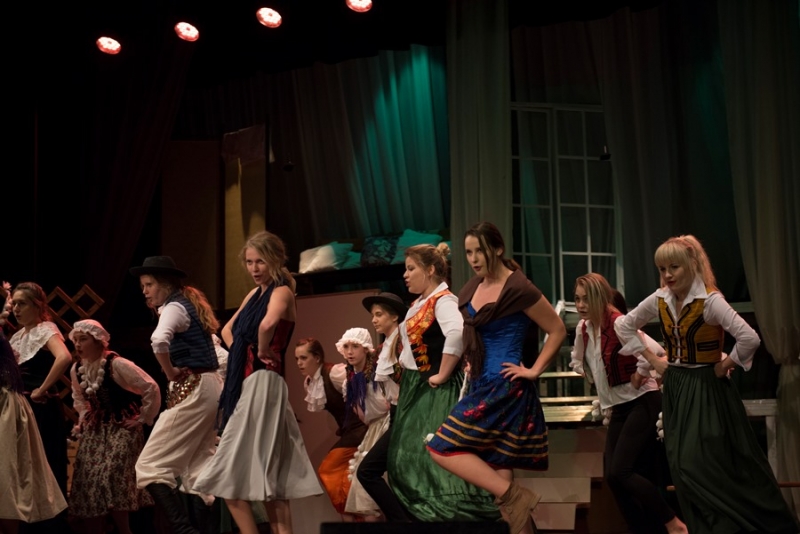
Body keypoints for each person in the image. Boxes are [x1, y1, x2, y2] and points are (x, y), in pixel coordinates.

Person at [615, 235, 798, 534]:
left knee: (701, 464)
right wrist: (652, 359)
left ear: (691, 264)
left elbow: (749, 338)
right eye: (662, 269)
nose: (667, 275)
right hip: (676, 386)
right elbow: (624, 325)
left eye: (674, 267)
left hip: (705, 388)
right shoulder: (661, 299)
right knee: (680, 464)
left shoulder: (710, 301)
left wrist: (725, 365)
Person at [424, 222, 566, 534]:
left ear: (498, 249)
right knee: (503, 488)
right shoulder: (472, 288)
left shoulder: (519, 289)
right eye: (468, 252)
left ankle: (517, 496)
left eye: (480, 250)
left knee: (440, 447)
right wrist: (472, 361)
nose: (474, 258)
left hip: (504, 386)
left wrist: (534, 370)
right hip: (481, 383)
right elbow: (476, 336)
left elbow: (557, 329)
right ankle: (516, 502)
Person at [194, 230, 322, 534]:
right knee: (267, 476)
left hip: (263, 382)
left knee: (239, 474)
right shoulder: (255, 295)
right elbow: (228, 330)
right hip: (249, 382)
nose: (254, 268)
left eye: (260, 261)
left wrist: (261, 349)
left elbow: (267, 324)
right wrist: (245, 351)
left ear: (275, 260)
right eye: (250, 262)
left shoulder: (282, 291)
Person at [382, 243, 500, 522]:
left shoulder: (443, 300)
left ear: (430, 270)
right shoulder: (418, 304)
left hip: (434, 392)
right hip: (415, 386)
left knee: (429, 462)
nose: (405, 275)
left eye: (411, 269)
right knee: (406, 461)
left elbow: (457, 333)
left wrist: (443, 373)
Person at [569, 274, 686, 534]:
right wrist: (588, 372)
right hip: (620, 407)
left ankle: (673, 523)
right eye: (577, 299)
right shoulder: (583, 329)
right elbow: (579, 358)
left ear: (601, 298)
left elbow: (657, 351)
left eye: (587, 299)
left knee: (621, 470)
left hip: (642, 401)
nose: (580, 305)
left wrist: (640, 373)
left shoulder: (619, 323)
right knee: (613, 477)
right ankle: (643, 529)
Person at [130, 256, 224, 534]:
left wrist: (170, 372)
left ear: (166, 284)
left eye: (149, 285)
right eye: (143, 286)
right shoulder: (186, 305)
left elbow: (159, 340)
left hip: (195, 387)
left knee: (149, 465)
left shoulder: (174, 307)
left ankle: (185, 531)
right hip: (208, 386)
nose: (145, 291)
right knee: (198, 469)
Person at [68, 319, 161, 534]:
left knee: (112, 475)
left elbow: (150, 387)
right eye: (75, 340)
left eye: (83, 339)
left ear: (98, 341)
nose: (78, 345)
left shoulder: (116, 364)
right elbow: (79, 397)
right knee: (88, 478)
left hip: (121, 426)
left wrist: (142, 418)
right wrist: (83, 417)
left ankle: (124, 530)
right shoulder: (77, 369)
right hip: (96, 428)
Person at [8, 282, 72, 497]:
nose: (16, 309)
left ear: (37, 306)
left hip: (39, 408)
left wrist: (42, 388)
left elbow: (64, 357)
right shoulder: (18, 336)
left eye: (22, 304)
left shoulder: (45, 329)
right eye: (14, 304)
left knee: (42, 461)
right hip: (19, 407)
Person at [0, 334, 67, 534]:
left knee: (6, 473)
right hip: (8, 403)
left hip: (5, 408)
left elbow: (64, 356)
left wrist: (42, 388)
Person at [295, 337, 367, 522]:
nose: (299, 363)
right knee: (343, 479)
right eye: (297, 359)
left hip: (361, 429)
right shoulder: (310, 382)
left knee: (328, 469)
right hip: (349, 431)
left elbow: (363, 385)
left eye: (303, 358)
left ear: (317, 358)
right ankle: (351, 516)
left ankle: (353, 513)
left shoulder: (334, 373)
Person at [353, 292, 407, 520]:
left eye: (379, 314)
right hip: (395, 414)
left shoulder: (403, 343)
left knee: (367, 471)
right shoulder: (383, 348)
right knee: (385, 473)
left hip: (407, 412)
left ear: (394, 316)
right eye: (373, 315)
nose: (374, 320)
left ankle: (402, 522)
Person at [336, 327, 391, 520]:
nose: (350, 352)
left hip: (390, 424)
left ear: (366, 349)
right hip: (374, 428)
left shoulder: (379, 373)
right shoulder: (349, 383)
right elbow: (362, 416)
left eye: (355, 346)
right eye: (346, 347)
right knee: (365, 492)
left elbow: (392, 401)